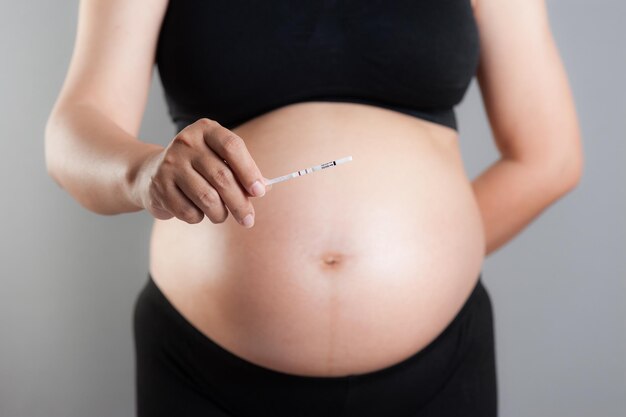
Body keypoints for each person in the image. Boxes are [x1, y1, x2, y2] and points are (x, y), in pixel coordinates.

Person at [44, 0, 583, 416]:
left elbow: (550, 157)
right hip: (204, 370)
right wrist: (143, 174)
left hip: (440, 369)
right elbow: (73, 133)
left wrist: (429, 258)